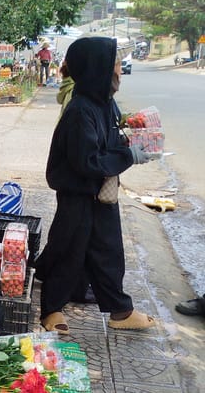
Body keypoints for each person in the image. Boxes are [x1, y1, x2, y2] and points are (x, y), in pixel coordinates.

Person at [34, 36, 157, 335]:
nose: (119, 70)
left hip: (100, 193)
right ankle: (51, 310)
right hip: (77, 193)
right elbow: (86, 162)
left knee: (109, 250)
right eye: (115, 63)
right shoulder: (80, 112)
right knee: (69, 250)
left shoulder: (106, 103)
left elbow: (110, 140)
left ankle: (120, 310)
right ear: (97, 68)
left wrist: (131, 142)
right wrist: (127, 156)